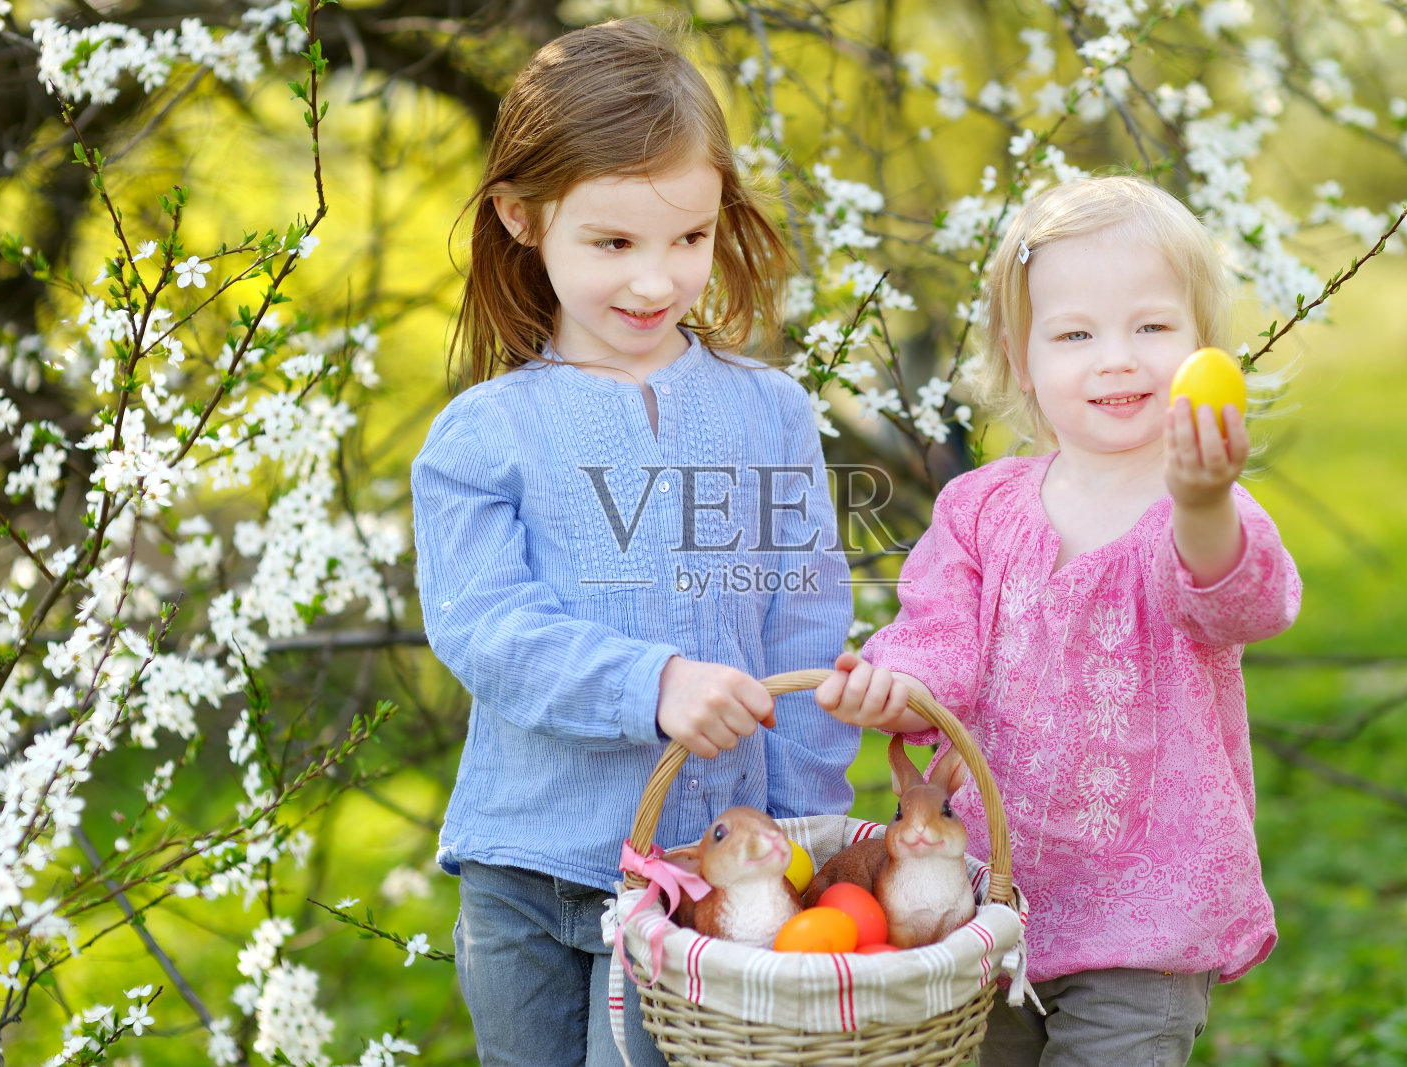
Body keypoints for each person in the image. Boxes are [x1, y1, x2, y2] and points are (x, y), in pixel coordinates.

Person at [411, 20, 857, 1067]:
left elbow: (806, 620)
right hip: (521, 867)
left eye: (688, 238)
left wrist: (801, 833)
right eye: (612, 244)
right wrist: (648, 680)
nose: (655, 280)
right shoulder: (483, 434)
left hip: (698, 874)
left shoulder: (768, 413)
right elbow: (485, 625)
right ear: (523, 218)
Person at [813, 175, 1301, 1066]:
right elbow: (940, 643)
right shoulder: (980, 508)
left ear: (1202, 347)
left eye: (1152, 328)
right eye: (1076, 334)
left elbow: (1246, 601)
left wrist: (1203, 503)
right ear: (1020, 353)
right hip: (985, 910)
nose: (1115, 358)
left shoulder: (1197, 510)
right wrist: (897, 686)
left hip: (1145, 931)